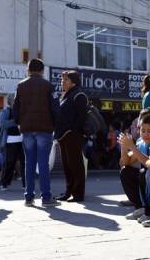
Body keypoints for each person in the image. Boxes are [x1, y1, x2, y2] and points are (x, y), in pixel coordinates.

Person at [13, 58, 60, 207]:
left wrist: (20, 123)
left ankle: (29, 197)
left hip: (26, 129)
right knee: (43, 163)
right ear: (42, 70)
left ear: (28, 69)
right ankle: (46, 197)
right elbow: (55, 108)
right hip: (44, 129)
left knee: (29, 163)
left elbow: (15, 108)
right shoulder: (48, 86)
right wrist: (54, 125)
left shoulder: (20, 86)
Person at [118, 109, 150, 222]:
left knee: (144, 172)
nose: (145, 134)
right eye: (143, 130)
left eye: (149, 131)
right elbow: (125, 162)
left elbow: (149, 163)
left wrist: (133, 147)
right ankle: (140, 207)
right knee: (126, 171)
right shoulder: (141, 141)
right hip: (148, 175)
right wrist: (124, 147)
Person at [54, 70, 87, 202]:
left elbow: (81, 117)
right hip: (63, 135)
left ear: (73, 81)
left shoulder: (79, 95)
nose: (62, 82)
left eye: (65, 80)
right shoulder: (66, 95)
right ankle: (69, 191)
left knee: (76, 165)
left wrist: (72, 131)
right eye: (62, 80)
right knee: (67, 165)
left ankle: (78, 194)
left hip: (72, 135)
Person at [0, 94, 25, 190]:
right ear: (10, 101)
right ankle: (4, 183)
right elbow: (2, 124)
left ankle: (25, 184)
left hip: (22, 140)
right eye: (15, 100)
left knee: (24, 163)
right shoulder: (5, 111)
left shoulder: (22, 111)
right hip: (10, 141)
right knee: (9, 163)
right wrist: (16, 122)